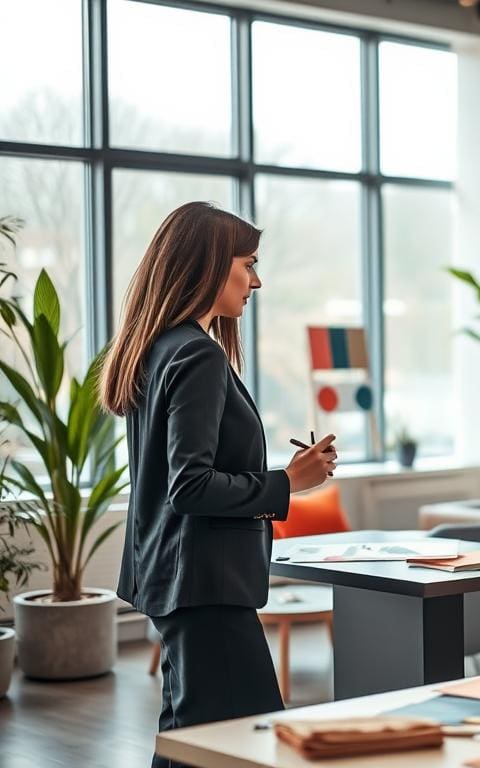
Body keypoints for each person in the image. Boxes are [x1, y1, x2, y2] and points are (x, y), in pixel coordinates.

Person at [100, 202, 337, 768]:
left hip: (179, 582)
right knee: (240, 744)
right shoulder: (198, 354)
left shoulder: (161, 348)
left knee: (191, 739)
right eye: (248, 264)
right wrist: (287, 482)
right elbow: (190, 486)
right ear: (210, 266)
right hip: (205, 588)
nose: (257, 280)